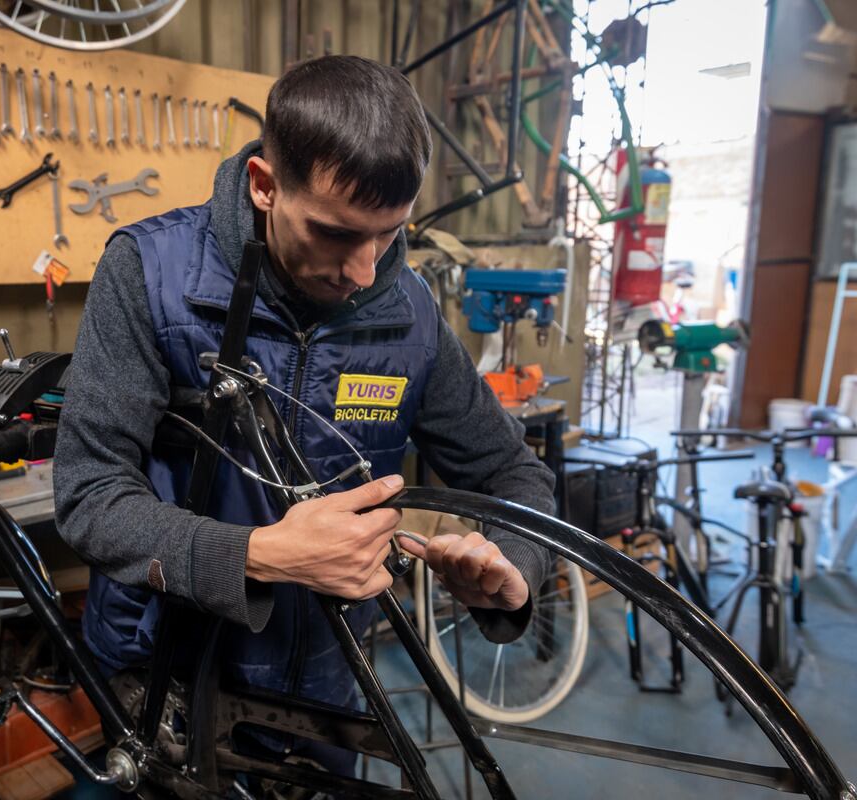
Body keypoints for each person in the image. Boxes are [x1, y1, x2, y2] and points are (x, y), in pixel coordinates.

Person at [53, 54, 556, 775]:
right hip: (166, 668)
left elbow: (512, 470)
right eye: (335, 233)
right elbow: (90, 497)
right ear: (264, 185)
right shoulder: (148, 274)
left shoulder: (406, 309)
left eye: (386, 234)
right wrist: (254, 555)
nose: (362, 271)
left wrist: (513, 563)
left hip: (328, 680)